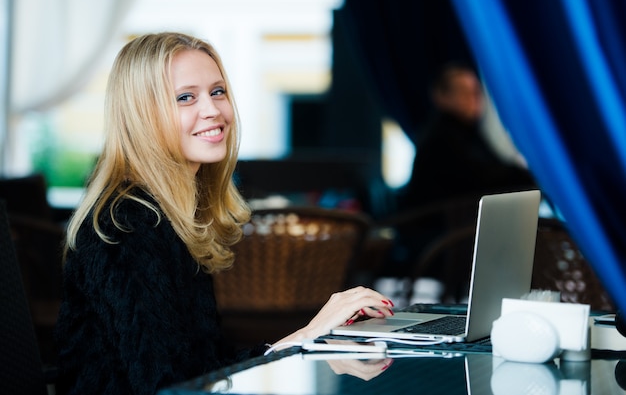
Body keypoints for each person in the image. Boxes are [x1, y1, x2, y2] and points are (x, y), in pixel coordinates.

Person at [54, 32, 395, 395]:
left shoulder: (174, 214)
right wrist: (307, 335)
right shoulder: (126, 223)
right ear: (142, 115)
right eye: (186, 97)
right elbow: (171, 386)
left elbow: (203, 367)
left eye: (218, 92)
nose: (212, 110)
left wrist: (316, 344)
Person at [402, 62, 536, 208]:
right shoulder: (441, 136)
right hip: (444, 224)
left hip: (462, 215)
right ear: (442, 97)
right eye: (463, 92)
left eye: (476, 93)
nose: (473, 99)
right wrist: (527, 177)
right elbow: (480, 176)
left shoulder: (466, 129)